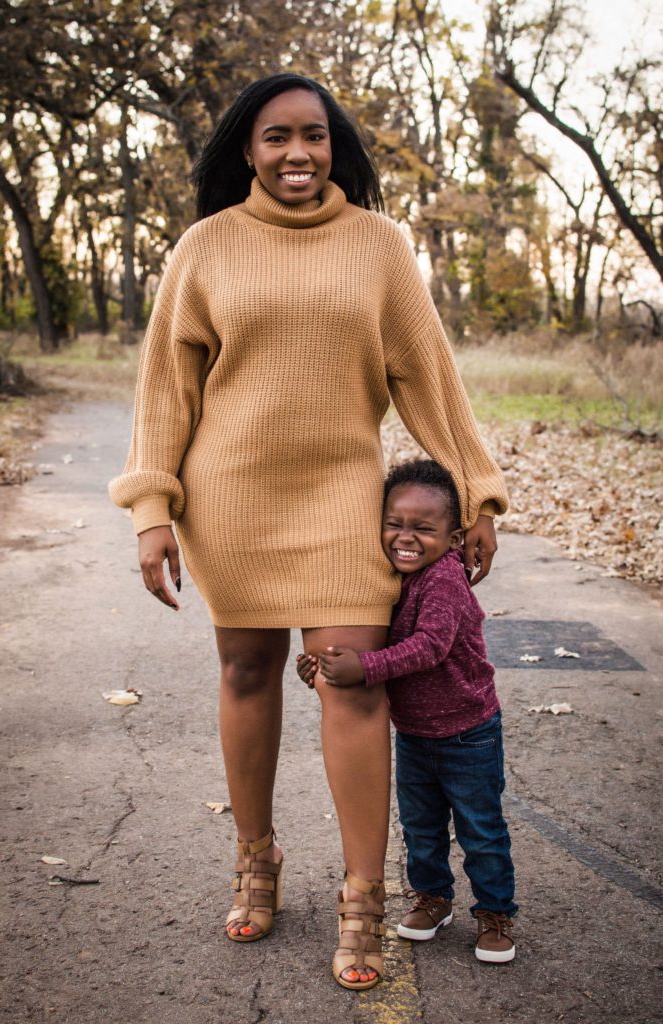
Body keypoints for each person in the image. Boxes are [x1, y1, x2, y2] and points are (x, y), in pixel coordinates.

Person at [108, 72, 509, 990]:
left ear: (336, 147)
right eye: (278, 136)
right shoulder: (206, 246)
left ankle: (363, 895)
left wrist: (477, 494)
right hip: (231, 501)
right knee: (248, 672)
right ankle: (257, 857)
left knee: (353, 685)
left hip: (342, 501)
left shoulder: (378, 245)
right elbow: (166, 391)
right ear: (248, 150)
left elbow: (427, 375)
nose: (299, 153)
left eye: (316, 136)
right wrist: (151, 510)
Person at [297, 459, 517, 964]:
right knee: (421, 827)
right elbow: (373, 645)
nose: (406, 537)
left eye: (424, 528)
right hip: (415, 733)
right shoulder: (389, 578)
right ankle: (434, 900)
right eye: (394, 524)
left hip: (468, 732)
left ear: (454, 538)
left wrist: (364, 667)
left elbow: (430, 647)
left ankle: (495, 913)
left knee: (481, 830)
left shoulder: (444, 578)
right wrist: (324, 669)